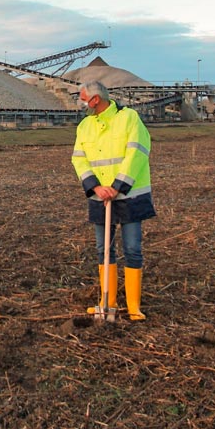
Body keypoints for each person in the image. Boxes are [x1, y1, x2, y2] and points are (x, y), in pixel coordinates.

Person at [71, 81, 154, 320]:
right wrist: (95, 186)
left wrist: (118, 186)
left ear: (95, 99)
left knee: (132, 249)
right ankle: (107, 300)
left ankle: (133, 305)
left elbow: (137, 151)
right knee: (103, 249)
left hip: (130, 195)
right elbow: (79, 158)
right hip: (100, 196)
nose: (81, 101)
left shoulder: (129, 118)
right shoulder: (85, 125)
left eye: (82, 97)